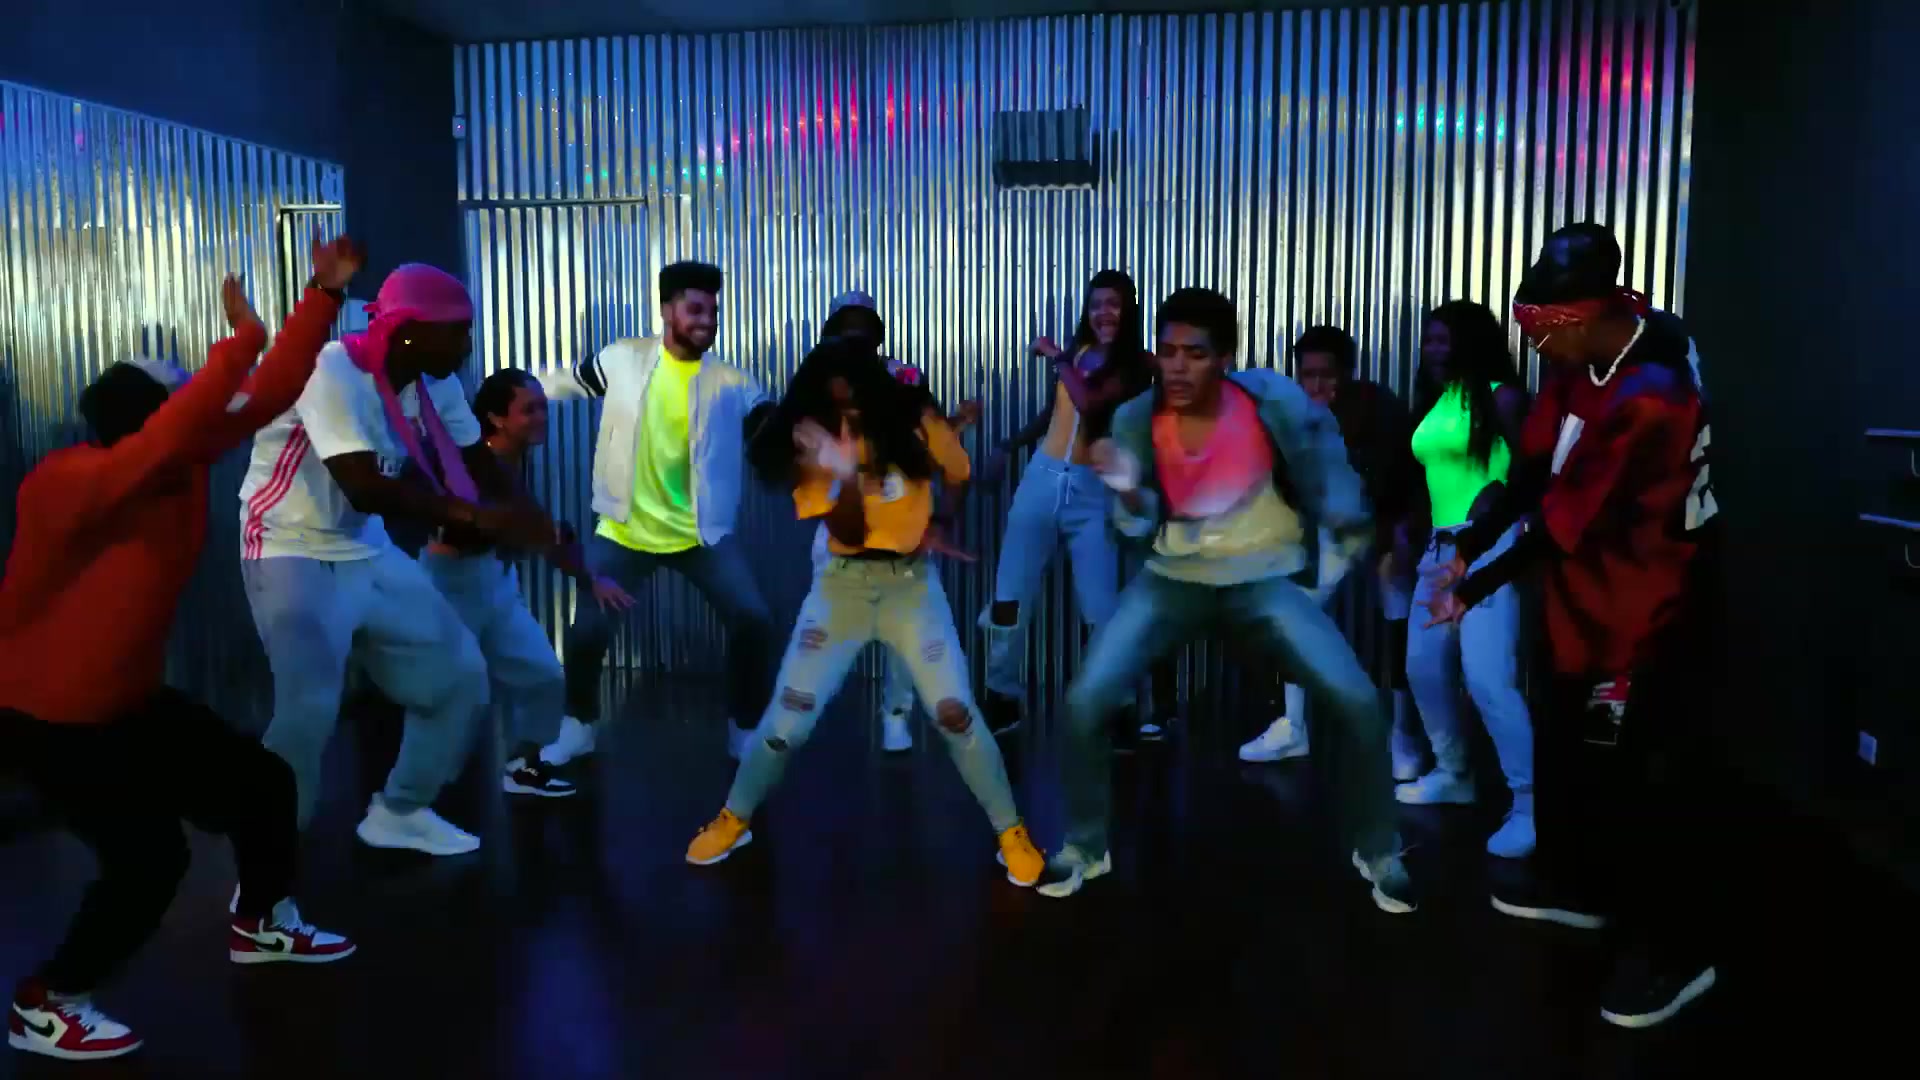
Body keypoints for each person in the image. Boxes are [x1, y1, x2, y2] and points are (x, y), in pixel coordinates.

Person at [2, 244, 360, 1063]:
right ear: (155, 414)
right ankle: (45, 1002)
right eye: (182, 392)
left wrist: (320, 295)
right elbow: (183, 425)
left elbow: (270, 391)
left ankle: (261, 922)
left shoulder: (181, 463)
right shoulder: (64, 481)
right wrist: (240, 342)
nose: (206, 400)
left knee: (262, 785)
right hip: (44, 717)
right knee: (149, 858)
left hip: (126, 700)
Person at [1425, 223, 1720, 1027]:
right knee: (1571, 757)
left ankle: (1675, 953)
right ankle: (1583, 891)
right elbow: (1531, 474)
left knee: (1639, 782)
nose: (1535, 346)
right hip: (1582, 602)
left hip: (1649, 606)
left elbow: (1562, 520)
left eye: (1543, 330)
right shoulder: (1575, 364)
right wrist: (1470, 545)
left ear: (1586, 315)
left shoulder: (1653, 390)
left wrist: (1472, 588)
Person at [1043, 287, 1412, 912]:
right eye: (1167, 352)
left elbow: (1326, 461)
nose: (1177, 367)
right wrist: (1127, 490)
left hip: (1264, 578)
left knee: (1358, 702)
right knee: (1083, 703)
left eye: (1195, 354)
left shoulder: (1271, 400)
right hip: (1173, 578)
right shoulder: (1137, 418)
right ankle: (1085, 845)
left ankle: (1380, 849)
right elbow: (1133, 529)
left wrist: (1349, 532)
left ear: (1225, 358)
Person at [685, 337, 1044, 885]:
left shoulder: (912, 422)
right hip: (841, 590)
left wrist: (938, 513)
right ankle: (735, 817)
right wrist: (844, 472)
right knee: (787, 722)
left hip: (911, 589)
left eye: (852, 397)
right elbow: (848, 530)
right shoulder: (811, 442)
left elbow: (958, 469)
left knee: (955, 713)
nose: (845, 411)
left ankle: (1011, 830)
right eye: (834, 400)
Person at [240, 262, 557, 855]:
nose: (467, 344)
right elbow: (362, 484)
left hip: (365, 546)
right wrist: (473, 517)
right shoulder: (333, 368)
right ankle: (267, 860)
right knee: (308, 709)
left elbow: (481, 468)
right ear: (410, 332)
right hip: (288, 545)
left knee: (461, 677)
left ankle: (400, 811)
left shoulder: (436, 383)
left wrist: (535, 524)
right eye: (457, 331)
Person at [537, 261, 778, 765]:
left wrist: (805, 439)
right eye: (695, 310)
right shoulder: (624, 358)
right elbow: (568, 382)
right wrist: (512, 392)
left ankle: (744, 728)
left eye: (713, 312)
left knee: (753, 621)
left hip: (701, 536)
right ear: (667, 310)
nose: (707, 321)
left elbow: (769, 426)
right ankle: (579, 727)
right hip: (625, 532)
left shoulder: (732, 381)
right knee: (587, 632)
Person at [420, 369, 635, 798]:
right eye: (529, 410)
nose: (541, 417)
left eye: (542, 407)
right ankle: (420, 792)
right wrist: (534, 537)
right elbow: (470, 530)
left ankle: (522, 768)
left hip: (496, 584)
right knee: (455, 691)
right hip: (452, 587)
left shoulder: (514, 458)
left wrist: (585, 575)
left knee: (543, 676)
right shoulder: (478, 463)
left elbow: (537, 530)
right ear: (497, 419)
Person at [977, 270, 1160, 736]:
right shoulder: (1078, 354)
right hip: (1041, 479)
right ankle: (1001, 694)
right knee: (1009, 597)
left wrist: (1056, 357)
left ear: (1129, 309)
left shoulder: (1136, 364)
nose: (1104, 313)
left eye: (1113, 303)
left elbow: (1091, 404)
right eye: (1096, 304)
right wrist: (1008, 446)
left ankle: (1115, 703)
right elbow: (1055, 412)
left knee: (1100, 607)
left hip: (1092, 490)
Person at [1389, 301, 1538, 858]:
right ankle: (1454, 773)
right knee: (1422, 666)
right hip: (1439, 547)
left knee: (1487, 678)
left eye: (1443, 339)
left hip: (1487, 544)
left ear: (1470, 342)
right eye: (1428, 339)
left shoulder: (1502, 396)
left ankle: (1529, 805)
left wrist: (1506, 517)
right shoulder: (1437, 400)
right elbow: (1429, 477)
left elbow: (1532, 476)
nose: (1432, 348)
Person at [1239, 325, 1420, 777]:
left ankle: (1403, 734)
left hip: (1384, 530)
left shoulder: (1379, 409)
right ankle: (1293, 726)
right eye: (1308, 375)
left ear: (1347, 374)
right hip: (1326, 534)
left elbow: (1404, 478)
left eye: (1326, 374)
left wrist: (1395, 533)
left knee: (1399, 622)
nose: (1316, 385)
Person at [809, 292, 981, 753]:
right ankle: (809, 709)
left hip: (901, 527)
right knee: (824, 627)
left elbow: (929, 437)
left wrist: (956, 426)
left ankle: (896, 715)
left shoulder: (905, 377)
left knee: (908, 635)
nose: (855, 335)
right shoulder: (818, 383)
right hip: (842, 525)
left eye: (864, 326)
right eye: (846, 327)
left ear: (878, 335)